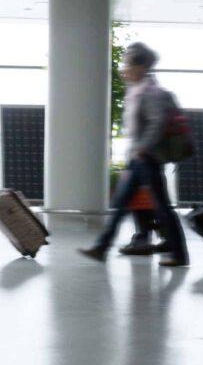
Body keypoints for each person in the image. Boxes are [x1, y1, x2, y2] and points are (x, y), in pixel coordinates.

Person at [79, 42, 189, 267]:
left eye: (128, 62)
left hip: (147, 157)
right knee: (120, 204)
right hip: (137, 157)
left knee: (161, 205)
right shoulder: (136, 89)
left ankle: (179, 253)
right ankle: (102, 247)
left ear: (141, 66)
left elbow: (157, 123)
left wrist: (142, 147)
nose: (124, 66)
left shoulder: (150, 92)